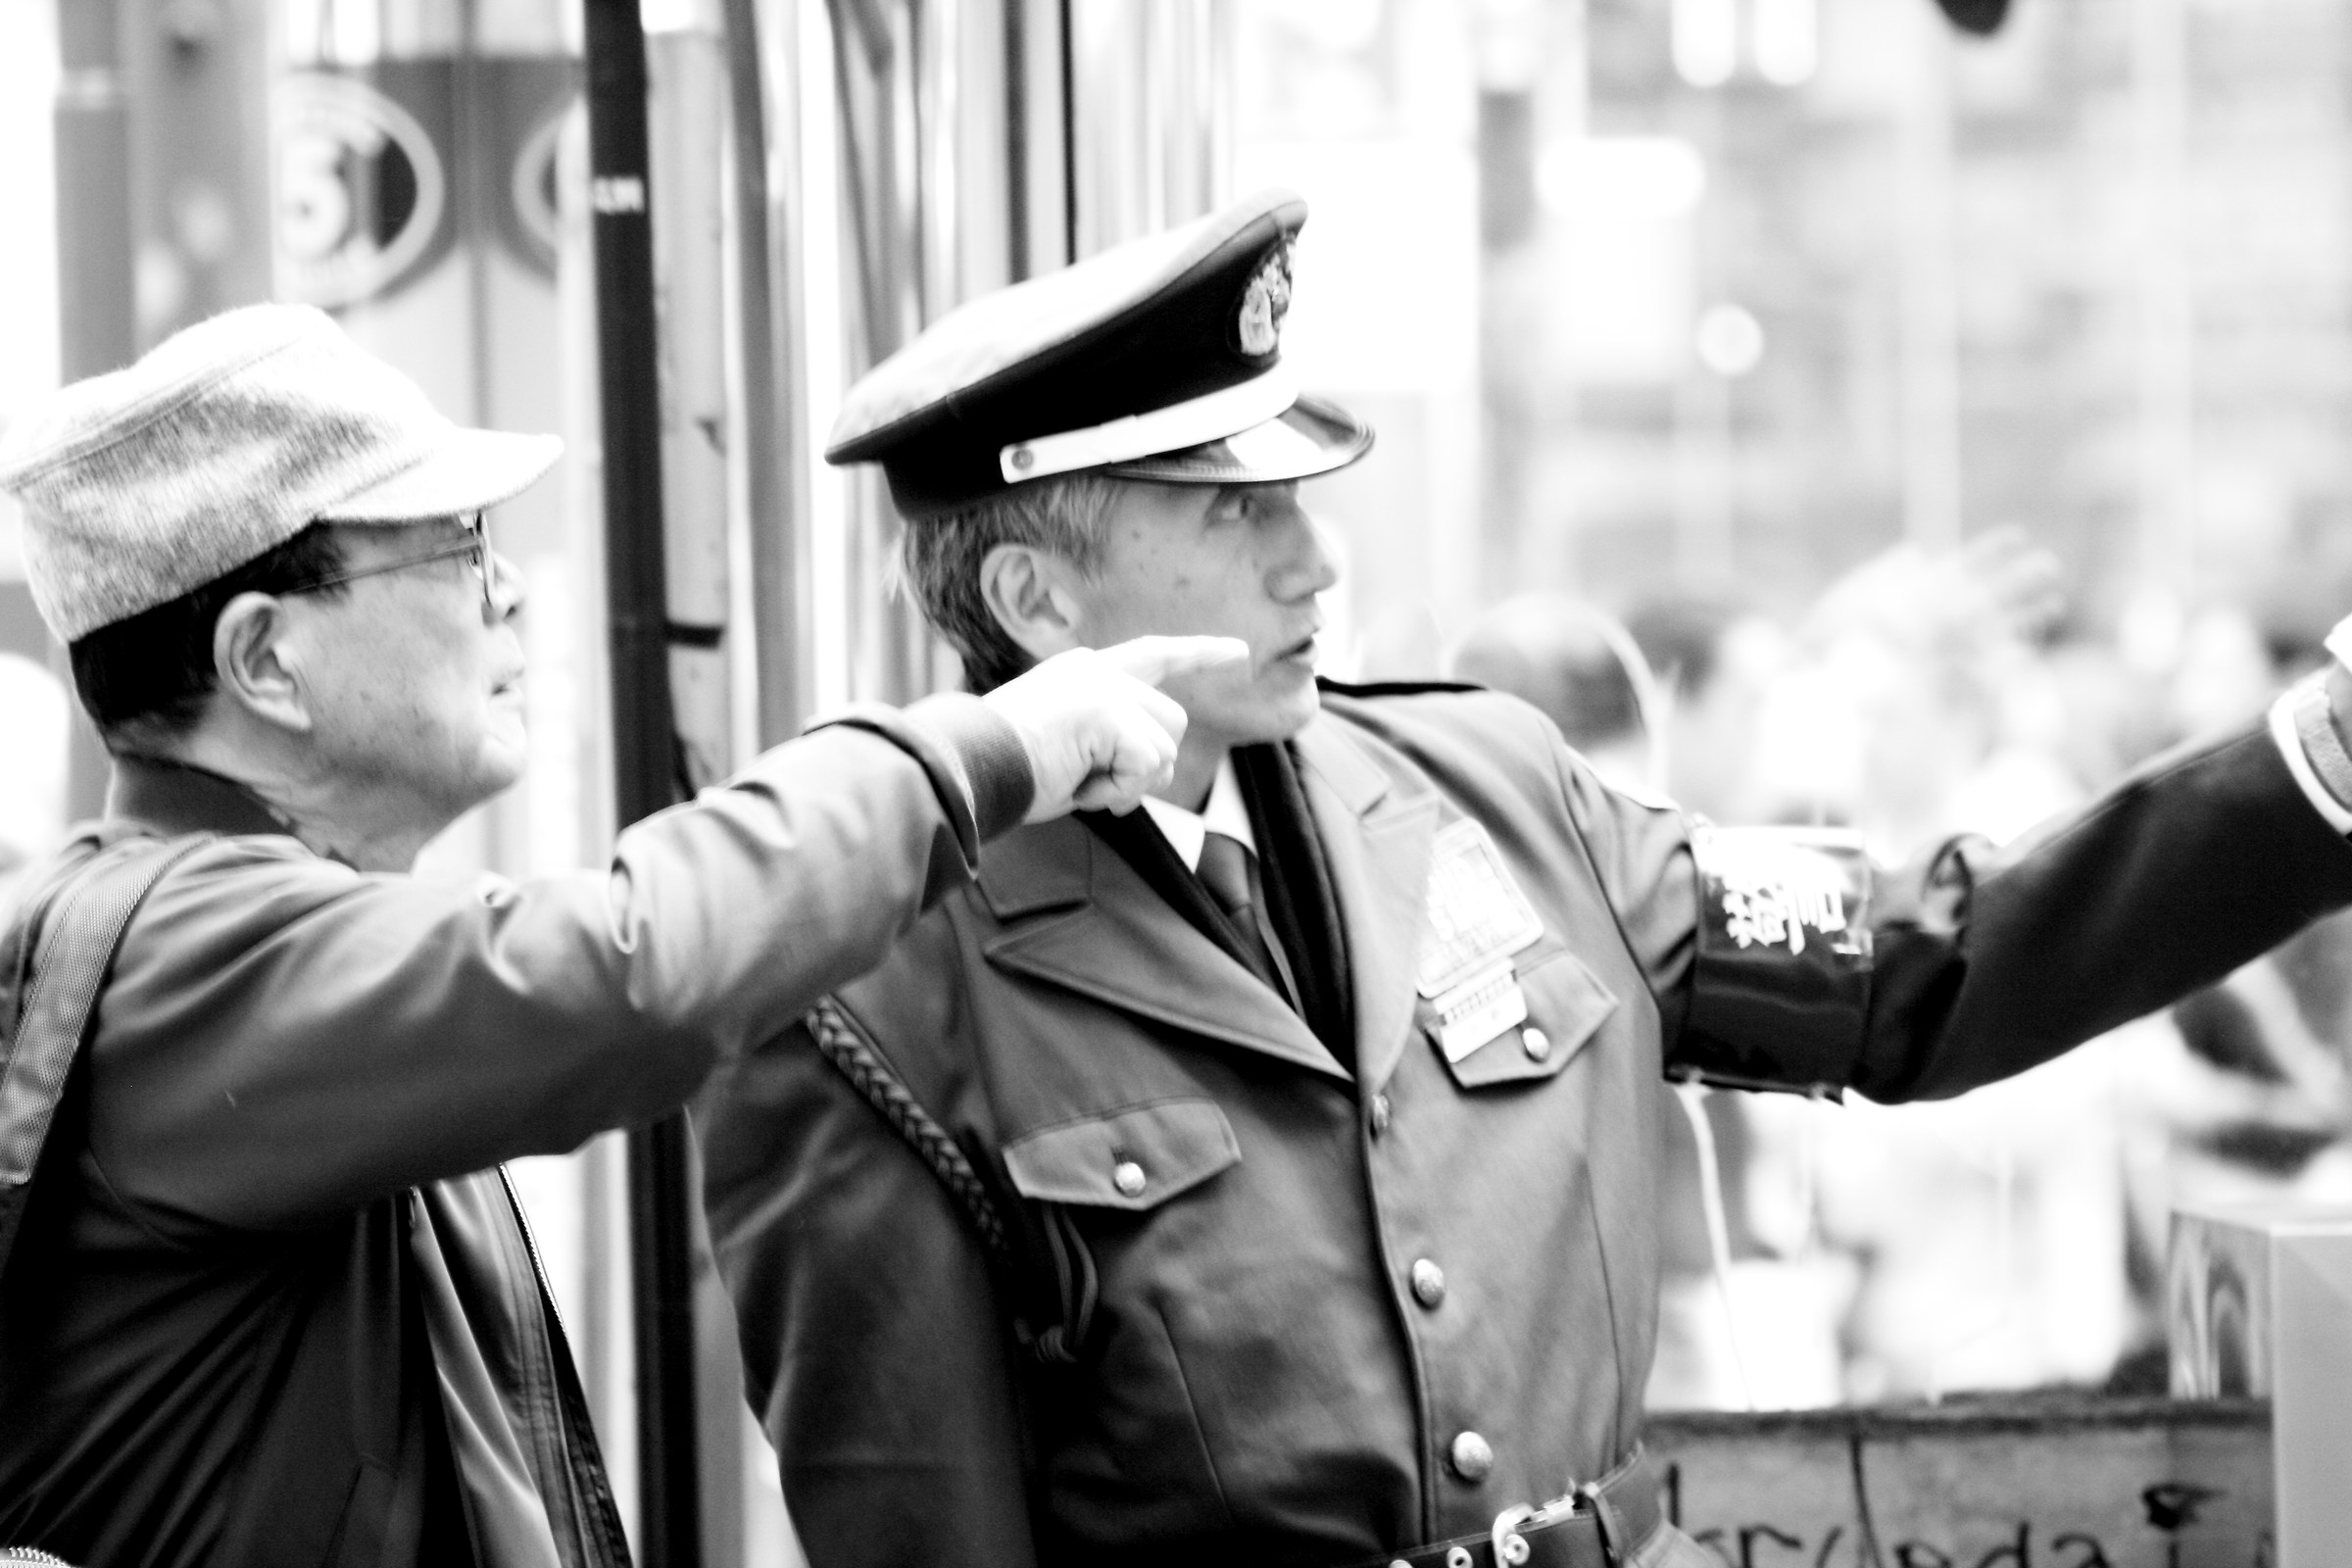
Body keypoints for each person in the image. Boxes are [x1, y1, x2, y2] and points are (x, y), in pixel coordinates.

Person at [695, 189, 2352, 1568]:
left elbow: (1938, 962)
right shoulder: (873, 1005)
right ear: (1034, 593)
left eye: (1301, 492)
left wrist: (2322, 766)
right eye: (1232, 506)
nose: (1313, 558)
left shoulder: (1492, 790)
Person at [0, 303, 1240, 1567]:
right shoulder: (177, 950)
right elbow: (636, 970)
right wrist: (987, 752)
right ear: (264, 659)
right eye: (459, 545)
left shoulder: (230, 932)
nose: (512, 587)